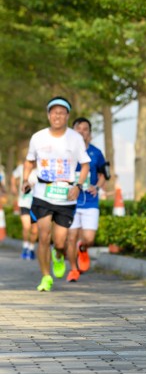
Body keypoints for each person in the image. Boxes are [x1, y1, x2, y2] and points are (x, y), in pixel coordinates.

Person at [23, 96, 90, 292]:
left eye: (61, 112)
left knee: (60, 242)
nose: (57, 116)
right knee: (43, 236)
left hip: (65, 196)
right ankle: (46, 277)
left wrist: (78, 185)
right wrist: (26, 179)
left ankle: (58, 255)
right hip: (42, 193)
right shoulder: (38, 137)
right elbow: (29, 161)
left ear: (67, 116)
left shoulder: (75, 138)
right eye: (54, 112)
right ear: (48, 115)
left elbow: (85, 165)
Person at [66, 117, 107, 282]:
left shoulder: (96, 153)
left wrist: (96, 187)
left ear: (89, 133)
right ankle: (73, 270)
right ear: (72, 131)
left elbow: (104, 175)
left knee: (88, 239)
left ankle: (82, 248)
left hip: (90, 201)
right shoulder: (66, 151)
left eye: (85, 129)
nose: (81, 132)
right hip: (70, 201)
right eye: (78, 128)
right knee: (71, 237)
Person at [11, 159, 38, 259]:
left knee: (35, 230)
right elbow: (13, 176)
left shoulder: (41, 170)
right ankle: (25, 247)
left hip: (36, 204)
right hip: (24, 202)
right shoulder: (21, 168)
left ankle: (31, 248)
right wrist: (13, 186)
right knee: (26, 227)